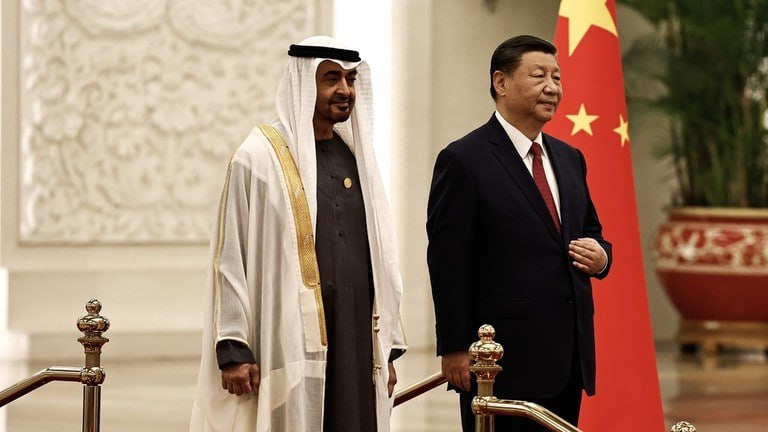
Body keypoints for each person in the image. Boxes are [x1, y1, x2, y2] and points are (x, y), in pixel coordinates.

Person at [189, 35, 407, 432]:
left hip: (356, 336)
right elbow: (229, 256)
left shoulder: (355, 158)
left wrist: (387, 346)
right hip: (285, 340)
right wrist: (234, 347)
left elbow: (381, 257)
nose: (345, 90)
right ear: (303, 83)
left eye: (350, 79)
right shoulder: (258, 159)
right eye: (331, 79)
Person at [426, 35, 612, 431]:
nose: (552, 87)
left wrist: (602, 257)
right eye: (539, 75)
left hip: (568, 357)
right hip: (499, 361)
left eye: (557, 77)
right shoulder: (464, 159)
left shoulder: (570, 158)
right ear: (501, 82)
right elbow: (447, 262)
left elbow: (592, 233)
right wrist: (455, 347)